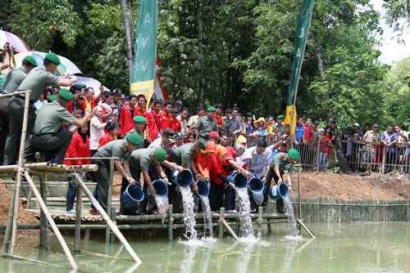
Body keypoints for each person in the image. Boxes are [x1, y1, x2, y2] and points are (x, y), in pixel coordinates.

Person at [4, 52, 77, 165]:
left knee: (12, 134)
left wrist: (62, 77)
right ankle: (24, 161)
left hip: (14, 100)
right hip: (24, 103)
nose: (56, 68)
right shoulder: (46, 75)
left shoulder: (36, 70)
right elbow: (66, 84)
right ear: (51, 65)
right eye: (56, 66)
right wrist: (73, 79)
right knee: (31, 132)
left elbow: (50, 80)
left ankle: (6, 163)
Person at [24, 89, 91, 164]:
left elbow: (53, 121)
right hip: (46, 141)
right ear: (67, 102)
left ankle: (36, 157)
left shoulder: (45, 106)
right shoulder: (60, 109)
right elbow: (81, 124)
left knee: (58, 130)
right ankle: (57, 161)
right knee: (67, 134)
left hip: (33, 140)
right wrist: (88, 115)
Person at [90, 133, 143, 214]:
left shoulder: (129, 150)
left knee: (102, 184)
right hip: (100, 158)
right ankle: (104, 210)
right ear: (128, 142)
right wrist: (127, 177)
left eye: (135, 146)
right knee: (105, 184)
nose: (134, 148)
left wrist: (130, 177)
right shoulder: (119, 146)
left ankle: (94, 206)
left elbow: (125, 163)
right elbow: (117, 164)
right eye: (133, 145)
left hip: (107, 161)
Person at [0, 55, 38, 164]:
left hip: (2, 102)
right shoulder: (24, 76)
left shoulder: (12, 72)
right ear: (29, 67)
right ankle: (19, 161)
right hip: (10, 104)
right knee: (20, 132)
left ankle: (5, 162)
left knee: (7, 134)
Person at [122, 147, 168, 214]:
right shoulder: (145, 158)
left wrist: (164, 177)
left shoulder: (156, 155)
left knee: (151, 183)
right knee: (135, 185)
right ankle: (130, 211)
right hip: (132, 165)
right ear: (154, 157)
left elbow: (158, 166)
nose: (158, 162)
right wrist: (151, 187)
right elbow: (145, 174)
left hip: (145, 163)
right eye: (158, 161)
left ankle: (148, 209)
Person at [64, 125, 91, 214]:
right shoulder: (74, 136)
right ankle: (69, 208)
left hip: (81, 166)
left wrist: (86, 166)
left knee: (78, 187)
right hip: (72, 165)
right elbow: (72, 152)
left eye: (86, 127)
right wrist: (80, 165)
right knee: (73, 186)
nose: (85, 128)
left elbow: (87, 153)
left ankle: (76, 207)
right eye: (83, 127)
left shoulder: (86, 138)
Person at [265, 148, 300, 214]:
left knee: (280, 189)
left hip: (280, 172)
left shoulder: (290, 162)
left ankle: (280, 209)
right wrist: (279, 178)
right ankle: (263, 204)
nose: (294, 162)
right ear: (289, 157)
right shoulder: (279, 156)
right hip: (272, 170)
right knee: (266, 186)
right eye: (293, 160)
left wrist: (289, 185)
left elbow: (288, 174)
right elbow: (276, 168)